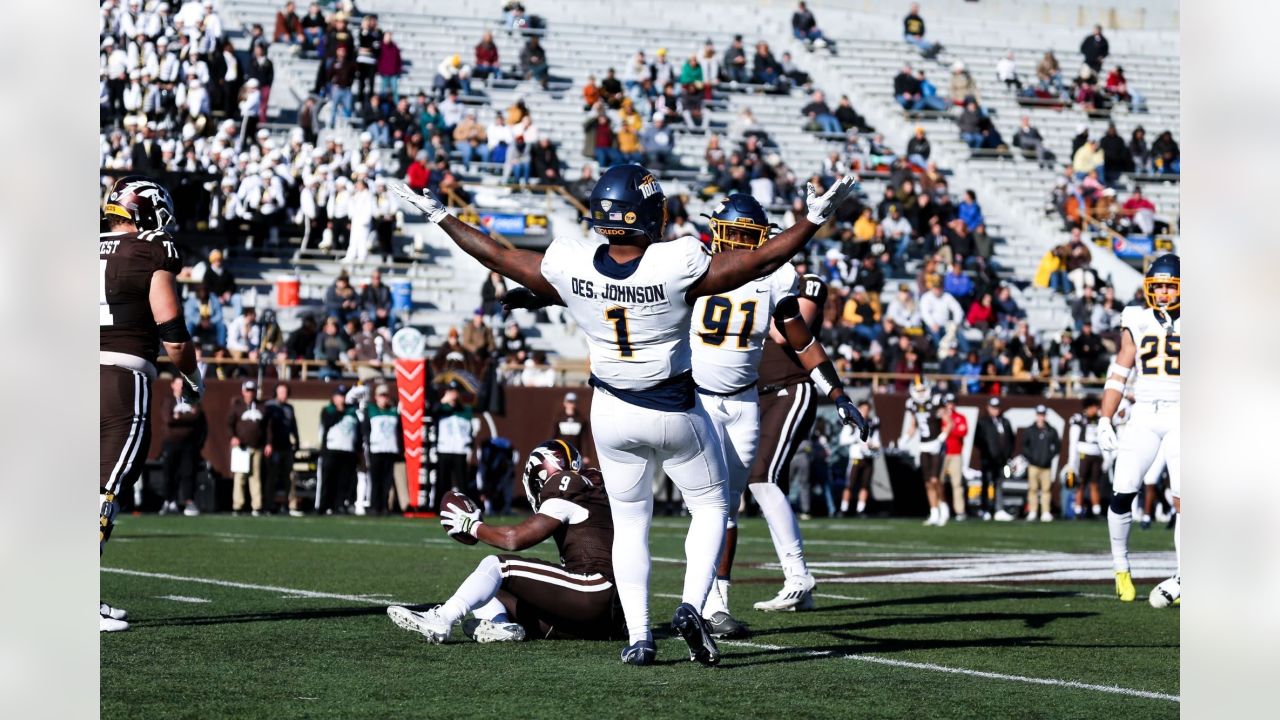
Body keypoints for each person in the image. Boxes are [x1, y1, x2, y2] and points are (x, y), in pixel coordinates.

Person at [389, 164, 855, 667]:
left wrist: (441, 215)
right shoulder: (675, 261)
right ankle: (692, 606)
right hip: (676, 407)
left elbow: (498, 255)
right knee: (713, 507)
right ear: (650, 215)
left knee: (632, 524)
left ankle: (639, 638)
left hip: (610, 411)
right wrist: (810, 221)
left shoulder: (573, 262)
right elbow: (758, 261)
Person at [690, 194, 869, 638]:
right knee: (707, 505)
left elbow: (802, 340)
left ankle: (716, 607)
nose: (732, 242)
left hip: (745, 402)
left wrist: (837, 392)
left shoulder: (775, 275)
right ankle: (690, 602)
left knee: (727, 506)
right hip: (700, 399)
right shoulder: (690, 264)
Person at [387, 441, 625, 644]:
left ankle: (443, 618)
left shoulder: (565, 485)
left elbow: (514, 539)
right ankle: (502, 627)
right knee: (489, 589)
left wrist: (471, 526)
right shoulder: (595, 488)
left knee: (497, 566)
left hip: (594, 591)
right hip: (610, 617)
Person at [100, 176, 204, 632]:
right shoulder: (151, 250)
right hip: (120, 379)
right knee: (104, 490)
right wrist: (193, 376)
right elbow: (173, 334)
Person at [1097, 254, 1180, 606]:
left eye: (1169, 286)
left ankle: (1184, 577)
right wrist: (1104, 417)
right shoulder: (1135, 317)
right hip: (1144, 413)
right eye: (1157, 286)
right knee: (1123, 490)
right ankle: (1121, 568)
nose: (1162, 293)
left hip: (1184, 415)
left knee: (1185, 500)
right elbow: (1120, 370)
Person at [900, 380, 949, 526]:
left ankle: (944, 507)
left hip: (936, 444)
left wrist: (942, 437)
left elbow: (949, 421)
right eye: (918, 390)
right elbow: (912, 426)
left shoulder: (936, 401)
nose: (921, 393)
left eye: (923, 390)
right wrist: (905, 438)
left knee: (935, 480)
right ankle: (934, 512)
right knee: (928, 483)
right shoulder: (912, 404)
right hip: (923, 445)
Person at [157, 376, 206, 517]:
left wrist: (180, 416)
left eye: (182, 384)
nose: (180, 387)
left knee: (188, 472)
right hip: (171, 443)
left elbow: (196, 416)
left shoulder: (191, 399)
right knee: (169, 472)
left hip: (188, 444)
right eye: (178, 384)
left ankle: (188, 502)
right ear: (172, 385)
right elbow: (168, 419)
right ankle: (168, 501)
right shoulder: (168, 400)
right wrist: (185, 416)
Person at [317, 384, 361, 514]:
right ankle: (324, 505)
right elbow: (328, 423)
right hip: (331, 449)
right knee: (328, 479)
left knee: (344, 480)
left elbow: (358, 432)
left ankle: (339, 504)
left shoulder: (352, 412)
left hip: (347, 450)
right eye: (339, 396)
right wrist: (339, 410)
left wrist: (358, 450)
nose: (341, 399)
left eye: (343, 396)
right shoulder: (328, 410)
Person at [228, 380, 267, 516]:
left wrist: (268, 443)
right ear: (243, 392)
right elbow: (229, 425)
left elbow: (267, 427)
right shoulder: (237, 407)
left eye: (252, 391)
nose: (250, 394)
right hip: (241, 448)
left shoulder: (262, 407)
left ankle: (257, 506)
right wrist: (233, 437)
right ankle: (237, 505)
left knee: (255, 477)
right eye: (248, 391)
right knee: (240, 476)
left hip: (256, 446)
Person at [263, 382, 302, 516]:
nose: (284, 395)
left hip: (286, 446)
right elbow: (266, 426)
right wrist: (268, 443)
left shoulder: (289, 408)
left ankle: (288, 504)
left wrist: (297, 441)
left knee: (288, 477)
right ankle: (269, 504)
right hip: (274, 447)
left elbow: (293, 425)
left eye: (285, 392)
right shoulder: (270, 406)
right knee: (272, 477)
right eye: (281, 392)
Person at [363, 384, 403, 516]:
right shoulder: (371, 410)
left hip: (390, 449)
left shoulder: (393, 411)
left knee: (387, 481)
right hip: (376, 449)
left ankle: (385, 506)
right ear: (376, 397)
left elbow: (399, 431)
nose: (384, 399)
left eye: (385, 396)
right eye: (381, 396)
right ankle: (375, 505)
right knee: (376, 480)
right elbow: (366, 430)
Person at [434, 380, 474, 506]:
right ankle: (439, 507)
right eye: (450, 391)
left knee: (462, 483)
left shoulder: (465, 410)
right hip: (444, 449)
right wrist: (443, 401)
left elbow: (469, 431)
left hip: (460, 450)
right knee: (442, 481)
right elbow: (431, 411)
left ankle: (465, 508)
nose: (453, 394)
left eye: (455, 391)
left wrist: (470, 448)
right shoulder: (441, 409)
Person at [974, 397, 1014, 521]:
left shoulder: (1005, 422)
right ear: (988, 408)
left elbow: (1011, 440)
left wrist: (1007, 455)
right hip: (988, 459)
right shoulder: (983, 422)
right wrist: (988, 452)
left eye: (997, 408)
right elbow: (978, 440)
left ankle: (999, 509)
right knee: (986, 483)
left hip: (1001, 460)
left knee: (999, 484)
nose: (995, 410)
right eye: (993, 408)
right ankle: (985, 509)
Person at [839, 400, 880, 517]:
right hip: (855, 457)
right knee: (850, 484)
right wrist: (856, 438)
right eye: (863, 409)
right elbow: (842, 440)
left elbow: (877, 441)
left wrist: (872, 445)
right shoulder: (852, 423)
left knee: (865, 484)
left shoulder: (872, 423)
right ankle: (844, 508)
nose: (865, 412)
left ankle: (860, 509)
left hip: (868, 457)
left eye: (867, 410)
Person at [1021, 404, 1061, 521]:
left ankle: (1045, 511)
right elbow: (1024, 446)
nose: (1041, 417)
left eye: (1042, 415)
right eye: (1039, 415)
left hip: (1046, 466)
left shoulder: (1051, 430)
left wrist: (1049, 457)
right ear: (1036, 415)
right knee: (1032, 489)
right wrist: (1031, 458)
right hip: (1033, 465)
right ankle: (1033, 511)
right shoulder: (1030, 430)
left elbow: (1057, 446)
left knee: (1046, 490)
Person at [1067, 396, 1104, 519]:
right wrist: (1072, 462)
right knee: (1080, 483)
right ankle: (1078, 509)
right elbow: (1073, 441)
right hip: (1083, 454)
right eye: (1094, 407)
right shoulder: (1078, 418)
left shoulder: (1099, 419)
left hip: (1096, 454)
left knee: (1094, 484)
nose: (1096, 409)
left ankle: (1096, 510)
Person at [940, 394, 967, 520]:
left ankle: (959, 511)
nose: (950, 405)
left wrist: (949, 428)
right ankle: (940, 508)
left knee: (957, 484)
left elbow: (962, 431)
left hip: (956, 453)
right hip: (941, 453)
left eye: (952, 402)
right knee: (938, 483)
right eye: (948, 402)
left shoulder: (960, 417)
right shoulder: (940, 416)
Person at [549, 391, 594, 464]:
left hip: (576, 454)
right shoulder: (559, 418)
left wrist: (586, 455)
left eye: (573, 402)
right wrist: (551, 450)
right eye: (569, 402)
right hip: (561, 454)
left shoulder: (581, 419)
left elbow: (585, 439)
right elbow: (553, 435)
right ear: (565, 403)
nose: (571, 404)